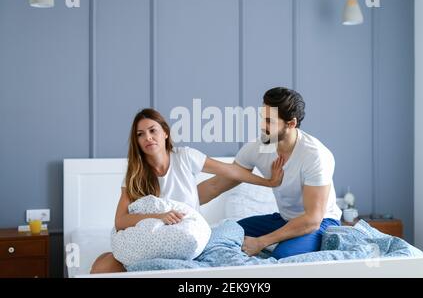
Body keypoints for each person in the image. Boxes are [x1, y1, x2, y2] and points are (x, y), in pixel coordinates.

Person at [90, 108, 284, 273]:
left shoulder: (185, 157)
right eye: (140, 134)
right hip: (156, 239)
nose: (147, 137)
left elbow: (231, 171)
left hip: (191, 235)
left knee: (230, 229)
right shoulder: (135, 174)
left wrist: (268, 182)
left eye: (152, 130)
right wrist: (158, 217)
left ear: (165, 132)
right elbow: (120, 221)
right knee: (101, 266)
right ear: (137, 141)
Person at [198, 87, 342, 259]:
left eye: (269, 121)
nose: (261, 126)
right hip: (284, 219)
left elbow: (312, 219)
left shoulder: (315, 156)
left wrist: (261, 242)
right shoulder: (257, 147)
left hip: (320, 222)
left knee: (283, 257)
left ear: (291, 123)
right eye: (262, 118)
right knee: (225, 233)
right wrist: (176, 204)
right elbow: (216, 185)